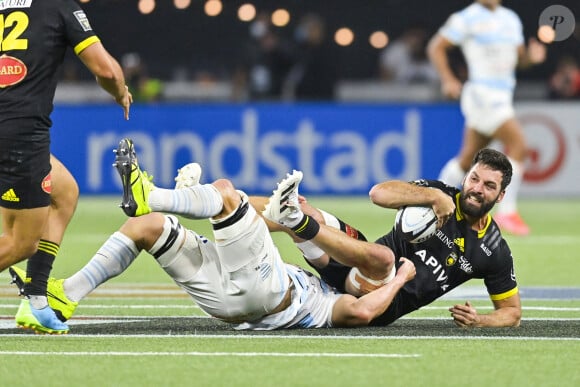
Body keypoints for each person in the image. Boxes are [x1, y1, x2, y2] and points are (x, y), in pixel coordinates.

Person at [11, 138, 416, 331]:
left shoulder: (338, 304)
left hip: (266, 294)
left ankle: (151, 194)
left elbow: (366, 310)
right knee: (145, 228)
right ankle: (66, 296)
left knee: (224, 192)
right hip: (229, 302)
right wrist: (291, 217)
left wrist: (401, 278)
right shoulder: (326, 297)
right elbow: (272, 220)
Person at [262, 147, 522, 327]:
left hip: (380, 298)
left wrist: (480, 320)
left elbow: (512, 312)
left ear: (501, 196)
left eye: (489, 186)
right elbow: (379, 193)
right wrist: (431, 196)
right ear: (466, 177)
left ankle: (299, 226)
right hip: (358, 258)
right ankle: (232, 212)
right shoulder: (440, 193)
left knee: (382, 258)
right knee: (300, 210)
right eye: (474, 179)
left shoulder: (493, 248)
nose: (476, 189)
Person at [0, 0, 132, 334]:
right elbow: (106, 70)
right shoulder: (59, 7)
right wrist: (120, 91)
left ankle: (36, 299)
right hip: (18, 134)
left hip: (12, 129)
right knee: (20, 243)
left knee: (65, 192)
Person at [427, 0, 546, 236]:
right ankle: (507, 213)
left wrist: (532, 58)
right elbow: (436, 47)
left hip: (502, 96)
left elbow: (519, 60)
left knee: (467, 159)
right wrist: (448, 79)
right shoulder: (467, 17)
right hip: (483, 95)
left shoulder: (511, 19)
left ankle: (434, 198)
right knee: (519, 146)